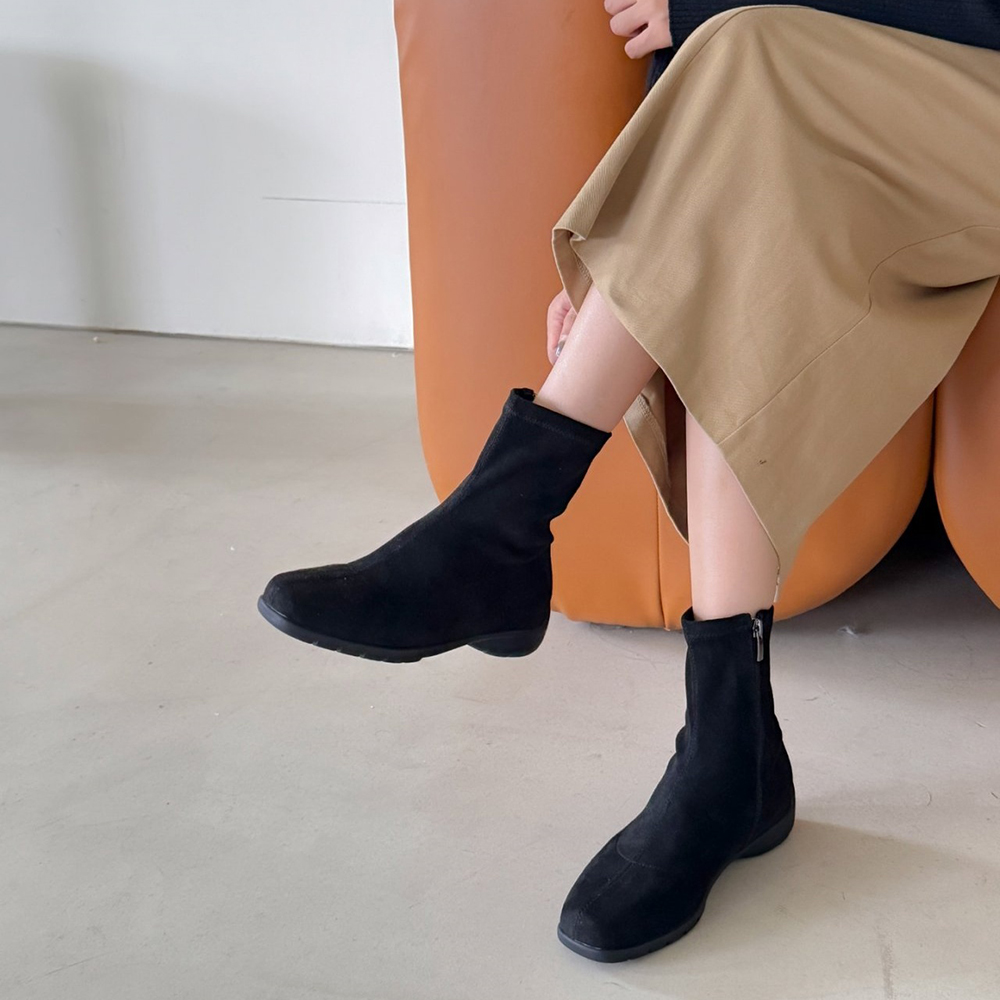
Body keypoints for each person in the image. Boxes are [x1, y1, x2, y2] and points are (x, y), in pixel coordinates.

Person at [257, 1, 1000, 964]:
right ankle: (728, 753)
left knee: (744, 46)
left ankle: (504, 524)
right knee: (742, 206)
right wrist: (633, 271)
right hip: (879, 104)